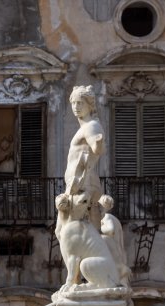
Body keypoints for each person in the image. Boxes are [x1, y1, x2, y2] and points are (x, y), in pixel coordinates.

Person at [64, 85, 105, 230]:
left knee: (75, 228)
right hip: (79, 181)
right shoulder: (86, 126)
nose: (76, 107)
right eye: (73, 103)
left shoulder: (91, 126)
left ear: (89, 104)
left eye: (80, 103)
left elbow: (97, 148)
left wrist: (98, 144)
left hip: (82, 181)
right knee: (71, 228)